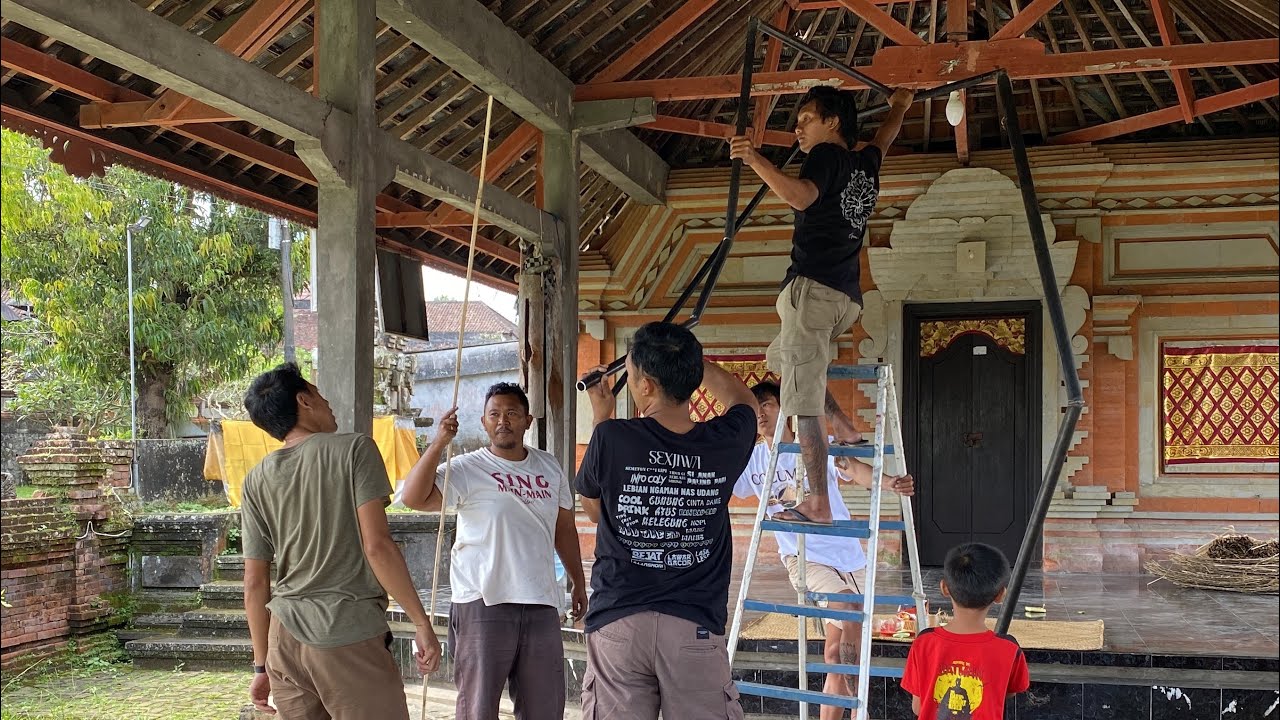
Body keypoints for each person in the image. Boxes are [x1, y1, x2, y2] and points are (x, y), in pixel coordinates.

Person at [729, 84, 915, 524]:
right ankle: (846, 428)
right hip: (845, 297)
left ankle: (817, 503)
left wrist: (754, 158)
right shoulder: (864, 163)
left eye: (805, 120)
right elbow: (884, 138)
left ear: (832, 122)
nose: (798, 131)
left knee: (801, 400)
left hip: (813, 289)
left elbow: (800, 197)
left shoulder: (827, 156)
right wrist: (901, 108)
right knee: (786, 361)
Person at [577, 321, 759, 720]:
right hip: (693, 625)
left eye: (633, 371)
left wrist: (602, 416)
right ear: (692, 379)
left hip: (619, 621)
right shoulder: (724, 440)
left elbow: (594, 510)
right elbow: (744, 399)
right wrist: (690, 359)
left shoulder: (612, 437)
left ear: (644, 387)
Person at [239, 363, 440, 719]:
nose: (328, 401)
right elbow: (376, 546)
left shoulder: (255, 480)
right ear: (304, 400)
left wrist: (261, 666)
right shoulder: (354, 449)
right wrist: (421, 623)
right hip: (344, 631)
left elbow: (255, 582)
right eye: (319, 393)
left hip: (283, 642)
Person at [397, 382, 586, 720]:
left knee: (545, 707)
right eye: (494, 414)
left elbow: (564, 529)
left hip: (541, 602)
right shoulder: (467, 468)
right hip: (483, 601)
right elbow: (413, 498)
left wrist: (578, 582)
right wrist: (439, 442)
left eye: (512, 413)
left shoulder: (549, 466)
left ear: (528, 421)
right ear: (483, 423)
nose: (503, 421)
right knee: (478, 707)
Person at [733, 380, 914, 720]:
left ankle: (852, 707)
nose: (761, 414)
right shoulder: (754, 460)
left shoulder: (813, 444)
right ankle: (856, 706)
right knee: (845, 604)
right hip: (806, 559)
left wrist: (889, 482)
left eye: (767, 404)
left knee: (838, 655)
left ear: (785, 410)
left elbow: (853, 468)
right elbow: (719, 480)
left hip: (849, 555)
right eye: (754, 409)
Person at [900, 543, 1031, 720]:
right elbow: (1005, 694)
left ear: (944, 588)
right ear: (1001, 595)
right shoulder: (1009, 650)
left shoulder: (923, 643)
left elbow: (918, 707)